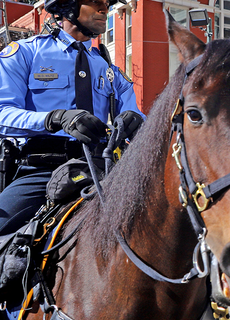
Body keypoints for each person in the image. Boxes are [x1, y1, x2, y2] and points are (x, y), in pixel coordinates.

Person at [0, 0, 144, 235]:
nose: (104, 9)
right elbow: (2, 113)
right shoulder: (25, 53)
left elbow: (138, 116)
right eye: (96, 2)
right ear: (67, 6)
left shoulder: (111, 71)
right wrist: (54, 119)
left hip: (101, 170)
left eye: (107, 4)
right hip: (41, 171)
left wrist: (136, 122)